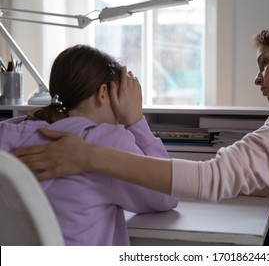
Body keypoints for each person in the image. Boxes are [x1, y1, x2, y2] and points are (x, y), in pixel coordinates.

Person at [12, 16, 269, 245]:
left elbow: (213, 180)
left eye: (265, 62)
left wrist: (90, 156)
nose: (257, 78)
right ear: (105, 93)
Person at [0, 44, 178, 245]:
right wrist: (135, 120)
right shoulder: (105, 142)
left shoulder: (9, 132)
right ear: (103, 93)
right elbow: (166, 194)